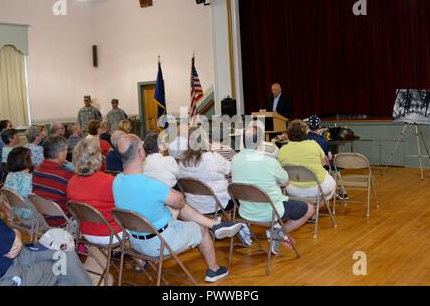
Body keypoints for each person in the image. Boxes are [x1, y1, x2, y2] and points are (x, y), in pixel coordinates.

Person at [113, 134, 243, 282]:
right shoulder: (152, 185)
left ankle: (216, 224)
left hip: (135, 242)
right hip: (159, 242)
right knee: (200, 228)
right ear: (141, 153)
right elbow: (180, 202)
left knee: (174, 206)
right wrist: (174, 195)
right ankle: (214, 269)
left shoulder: (116, 181)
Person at [231, 125, 314, 254]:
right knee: (309, 209)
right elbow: (286, 182)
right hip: (271, 212)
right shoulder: (269, 161)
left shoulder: (235, 160)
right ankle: (278, 231)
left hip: (246, 211)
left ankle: (276, 230)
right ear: (260, 142)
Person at [0, 202, 92, 286]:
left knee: (63, 244)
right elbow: (12, 250)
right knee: (64, 264)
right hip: (5, 275)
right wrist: (15, 232)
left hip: (12, 256)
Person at [67, 138, 123, 286]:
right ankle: (141, 260)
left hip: (87, 233)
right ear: (98, 157)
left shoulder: (71, 183)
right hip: (111, 234)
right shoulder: (109, 181)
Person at [277, 119, 336, 207]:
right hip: (316, 188)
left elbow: (279, 168)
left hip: (293, 189)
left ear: (288, 134)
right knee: (333, 182)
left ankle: (306, 208)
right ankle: (314, 209)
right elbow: (324, 163)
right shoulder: (314, 144)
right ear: (305, 132)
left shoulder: (283, 149)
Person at [32, 136, 74, 226]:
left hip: (44, 218)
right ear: (59, 153)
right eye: (66, 150)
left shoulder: (36, 170)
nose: (67, 153)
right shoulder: (67, 175)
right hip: (64, 220)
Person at [4, 147, 34, 222]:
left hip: (17, 213)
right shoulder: (29, 178)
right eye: (31, 156)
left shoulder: (9, 175)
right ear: (26, 161)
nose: (33, 158)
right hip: (32, 216)